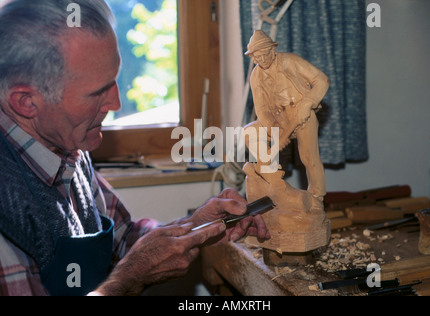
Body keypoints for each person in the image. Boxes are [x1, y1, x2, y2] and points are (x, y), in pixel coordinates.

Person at [0, 0, 270, 296]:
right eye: (97, 92)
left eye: (114, 81)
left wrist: (192, 228)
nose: (115, 104)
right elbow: (128, 268)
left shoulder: (65, 144)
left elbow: (123, 239)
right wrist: (128, 280)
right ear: (25, 102)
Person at [244, 30, 329, 206]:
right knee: (249, 131)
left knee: (308, 157)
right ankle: (273, 181)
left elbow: (322, 80)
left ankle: (317, 197)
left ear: (273, 50)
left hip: (302, 116)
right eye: (257, 57)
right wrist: (273, 128)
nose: (262, 60)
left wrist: (308, 103)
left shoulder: (290, 61)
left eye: (264, 55)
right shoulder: (256, 76)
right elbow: (262, 108)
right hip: (278, 120)